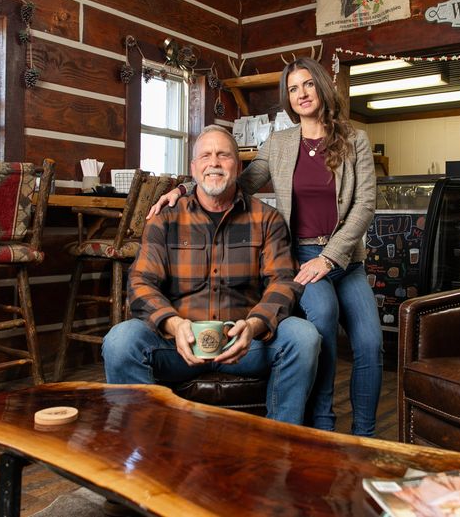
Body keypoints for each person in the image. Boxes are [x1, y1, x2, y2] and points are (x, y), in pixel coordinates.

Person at [150, 57, 382, 436]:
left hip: (343, 259)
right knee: (320, 322)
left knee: (371, 344)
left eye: (308, 85)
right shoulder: (279, 143)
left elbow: (365, 205)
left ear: (322, 88)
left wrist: (330, 257)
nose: (302, 94)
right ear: (287, 99)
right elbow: (235, 183)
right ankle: (320, 425)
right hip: (302, 257)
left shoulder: (354, 139)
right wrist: (183, 190)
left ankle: (366, 436)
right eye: (293, 89)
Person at [102, 125, 320, 425]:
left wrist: (255, 326)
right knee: (119, 341)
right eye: (205, 155)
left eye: (223, 155)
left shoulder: (267, 219)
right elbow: (141, 283)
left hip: (245, 345)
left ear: (238, 165)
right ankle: (148, 444)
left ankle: (279, 443)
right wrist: (174, 324)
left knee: (303, 336)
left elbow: (283, 281)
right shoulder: (165, 219)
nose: (214, 163)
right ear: (193, 168)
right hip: (179, 346)